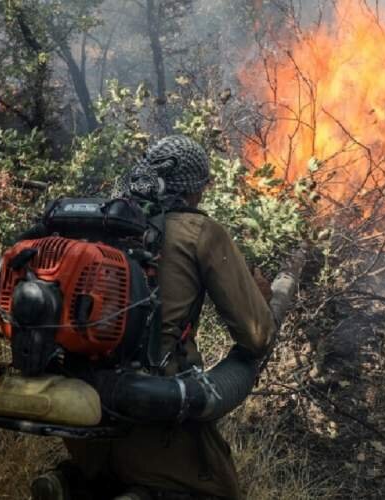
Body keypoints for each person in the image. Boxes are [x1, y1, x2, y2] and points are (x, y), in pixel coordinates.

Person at [31, 135, 276, 500]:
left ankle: (71, 482)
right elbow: (255, 335)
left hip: (82, 411)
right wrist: (262, 299)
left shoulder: (99, 224)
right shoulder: (199, 232)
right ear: (196, 188)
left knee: (100, 481)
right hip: (157, 416)